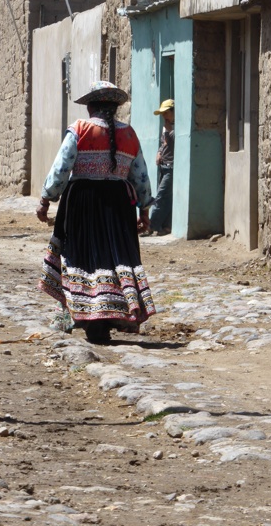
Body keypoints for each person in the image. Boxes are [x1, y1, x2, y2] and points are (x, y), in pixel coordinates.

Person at [36, 80, 156, 344]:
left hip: (82, 203)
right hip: (119, 206)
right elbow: (141, 175)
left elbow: (61, 168)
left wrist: (46, 199)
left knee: (81, 258)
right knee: (114, 258)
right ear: (114, 108)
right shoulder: (129, 134)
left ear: (91, 106)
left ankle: (80, 313)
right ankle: (112, 313)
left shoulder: (79, 129)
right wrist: (144, 210)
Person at [143, 98, 175, 237]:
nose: (164, 116)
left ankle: (151, 226)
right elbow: (164, 144)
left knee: (161, 196)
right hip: (164, 166)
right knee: (166, 197)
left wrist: (169, 132)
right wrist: (158, 153)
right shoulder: (166, 127)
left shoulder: (174, 128)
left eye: (166, 113)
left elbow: (173, 141)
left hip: (172, 166)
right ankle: (166, 226)